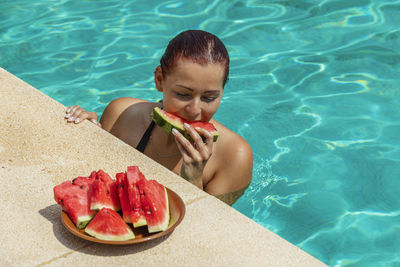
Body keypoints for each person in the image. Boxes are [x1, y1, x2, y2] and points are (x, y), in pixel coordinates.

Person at [65, 30, 253, 205]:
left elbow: (211, 230)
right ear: (159, 80)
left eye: (209, 98)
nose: (195, 110)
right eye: (183, 94)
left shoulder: (235, 156)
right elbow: (97, 186)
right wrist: (88, 136)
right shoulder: (121, 115)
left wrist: (193, 179)